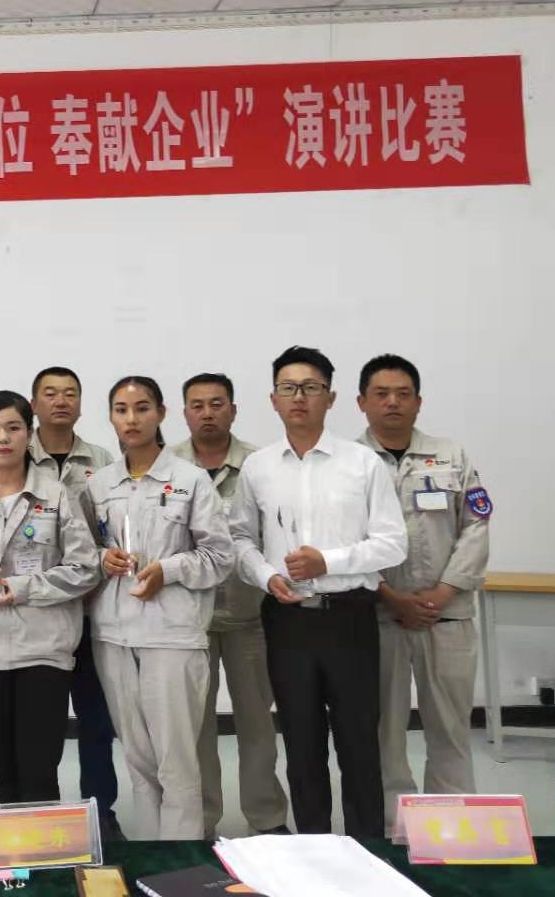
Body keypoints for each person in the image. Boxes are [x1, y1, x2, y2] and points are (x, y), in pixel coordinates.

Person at [229, 346, 407, 839]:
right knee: (301, 742)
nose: (299, 397)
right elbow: (239, 538)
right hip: (287, 619)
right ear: (273, 399)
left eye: (310, 388)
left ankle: (368, 848)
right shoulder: (258, 467)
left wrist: (328, 561)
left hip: (349, 616)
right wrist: (266, 575)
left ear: (330, 398)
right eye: (288, 388)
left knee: (358, 742)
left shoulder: (363, 463)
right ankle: (311, 848)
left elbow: (393, 543)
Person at [0, 390, 100, 805]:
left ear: (29, 434)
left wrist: (23, 588)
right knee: (4, 774)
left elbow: (85, 568)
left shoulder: (56, 495)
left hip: (42, 651)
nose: (3, 438)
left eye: (13, 428)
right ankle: (14, 847)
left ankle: (43, 844)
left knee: (39, 772)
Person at [87, 376, 233, 839]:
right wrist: (102, 559)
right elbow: (82, 552)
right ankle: (151, 854)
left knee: (176, 762)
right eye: (121, 409)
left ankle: (181, 863)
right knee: (138, 759)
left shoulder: (190, 480)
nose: (131, 419)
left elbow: (220, 556)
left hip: (172, 636)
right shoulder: (99, 484)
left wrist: (167, 570)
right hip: (113, 635)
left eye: (142, 408)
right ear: (111, 417)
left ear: (161, 413)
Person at [356, 354, 490, 833]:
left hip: (446, 615)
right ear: (362, 402)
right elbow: (344, 543)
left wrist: (443, 591)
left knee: (450, 728)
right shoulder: (348, 463)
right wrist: (389, 596)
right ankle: (396, 827)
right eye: (381, 394)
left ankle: (453, 829)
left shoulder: (451, 456)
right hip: (379, 617)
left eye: (403, 394)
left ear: (418, 401)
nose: (393, 402)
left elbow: (476, 526)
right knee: (384, 731)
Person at [173, 373, 290, 840]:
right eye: (197, 405)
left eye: (217, 403)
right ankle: (201, 820)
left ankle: (267, 817)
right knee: (194, 729)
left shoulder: (260, 465)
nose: (207, 413)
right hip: (189, 622)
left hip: (250, 617)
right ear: (184, 413)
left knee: (258, 724)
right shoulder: (169, 467)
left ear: (233, 410)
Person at [28, 366, 122, 840]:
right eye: (50, 393)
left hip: (90, 610)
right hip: (37, 615)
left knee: (96, 720)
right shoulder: (15, 454)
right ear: (34, 404)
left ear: (81, 405)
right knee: (40, 725)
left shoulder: (101, 461)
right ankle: (38, 813)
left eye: (70, 394)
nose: (60, 401)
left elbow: (113, 531)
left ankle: (100, 812)